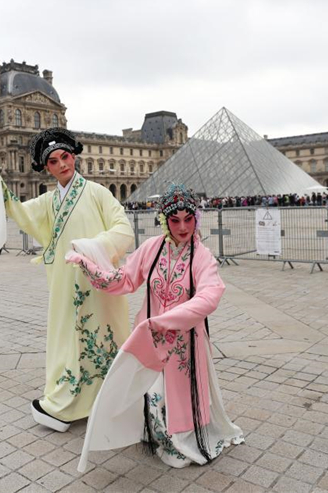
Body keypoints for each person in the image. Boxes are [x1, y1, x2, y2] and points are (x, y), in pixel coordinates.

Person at [0, 127, 133, 432]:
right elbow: (20, 213)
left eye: (65, 157)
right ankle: (69, 397)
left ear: (74, 156)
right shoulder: (48, 201)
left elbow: (124, 230)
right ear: (47, 168)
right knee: (66, 336)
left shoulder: (97, 193)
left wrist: (90, 249)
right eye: (54, 161)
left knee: (98, 334)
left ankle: (106, 398)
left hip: (94, 281)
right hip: (62, 283)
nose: (62, 165)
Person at [71, 184, 243, 471]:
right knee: (151, 393)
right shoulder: (151, 248)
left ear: (196, 219)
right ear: (164, 220)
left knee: (173, 394)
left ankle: (181, 437)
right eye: (174, 220)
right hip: (149, 337)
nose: (183, 227)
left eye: (188, 219)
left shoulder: (202, 256)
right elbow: (124, 280)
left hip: (183, 342)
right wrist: (88, 265)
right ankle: (159, 436)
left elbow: (209, 295)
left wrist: (167, 320)